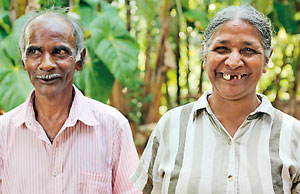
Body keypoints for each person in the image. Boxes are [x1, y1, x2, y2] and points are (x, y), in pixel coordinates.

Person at [130, 5, 300, 194]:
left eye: (248, 50)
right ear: (205, 54)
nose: (233, 62)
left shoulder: (292, 135)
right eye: (221, 49)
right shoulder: (171, 126)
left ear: (267, 59)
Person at [0, 11, 141, 193]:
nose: (46, 64)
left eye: (59, 51)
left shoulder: (112, 127)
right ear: (23, 60)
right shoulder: (4, 132)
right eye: (34, 52)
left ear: (80, 59)